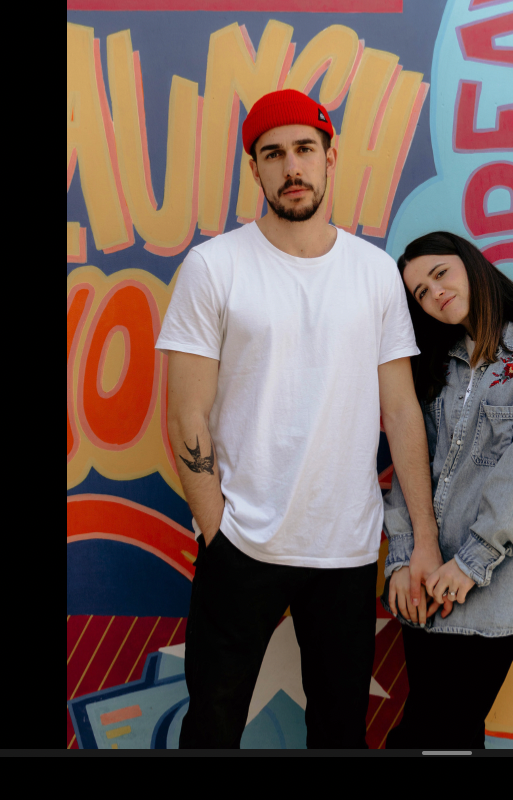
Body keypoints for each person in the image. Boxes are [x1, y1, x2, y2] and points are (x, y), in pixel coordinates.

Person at [156, 89, 441, 749]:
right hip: (240, 540)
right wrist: (214, 528)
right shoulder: (214, 266)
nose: (292, 167)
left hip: (343, 544)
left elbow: (399, 412)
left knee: (339, 727)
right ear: (252, 169)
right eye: (273, 153)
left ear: (330, 157)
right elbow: (186, 409)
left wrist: (420, 538)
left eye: (304, 150)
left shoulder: (373, 273)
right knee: (212, 722)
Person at [382, 231, 513, 749]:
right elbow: (414, 467)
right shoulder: (440, 363)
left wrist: (472, 562)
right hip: (432, 577)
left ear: (471, 264)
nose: (434, 294)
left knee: (437, 730)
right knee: (442, 733)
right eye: (420, 294)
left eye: (439, 274)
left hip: (495, 576)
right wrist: (404, 559)